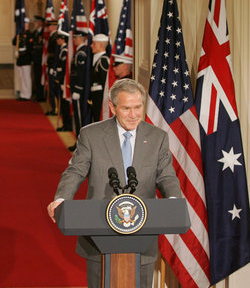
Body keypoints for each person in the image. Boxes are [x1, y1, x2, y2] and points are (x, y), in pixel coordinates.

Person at [47, 78, 181, 288]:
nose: (134, 114)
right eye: (126, 108)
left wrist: (174, 200)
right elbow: (76, 170)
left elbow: (166, 176)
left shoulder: (157, 137)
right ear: (112, 107)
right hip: (99, 232)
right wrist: (61, 198)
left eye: (138, 107)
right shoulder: (91, 135)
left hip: (142, 234)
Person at [68, 31, 88, 150]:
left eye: (76, 38)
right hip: (76, 89)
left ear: (81, 38)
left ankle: (81, 145)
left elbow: (81, 74)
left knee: (80, 118)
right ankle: (78, 143)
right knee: (77, 117)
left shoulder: (82, 53)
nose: (74, 40)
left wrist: (78, 90)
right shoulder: (79, 52)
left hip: (79, 92)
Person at [89, 33, 110, 122]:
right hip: (96, 96)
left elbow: (105, 82)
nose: (91, 45)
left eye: (94, 44)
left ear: (101, 45)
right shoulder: (98, 59)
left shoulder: (103, 61)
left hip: (100, 97)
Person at [55, 32, 72, 131]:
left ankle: (67, 125)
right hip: (61, 81)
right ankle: (65, 124)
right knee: (63, 105)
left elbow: (64, 69)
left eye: (59, 39)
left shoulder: (65, 51)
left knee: (65, 106)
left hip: (64, 82)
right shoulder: (62, 50)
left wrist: (62, 82)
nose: (57, 40)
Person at [14, 17, 33, 101]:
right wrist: (17, 34)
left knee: (26, 78)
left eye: (26, 24)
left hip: (26, 59)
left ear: (28, 25)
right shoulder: (20, 34)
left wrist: (23, 50)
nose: (25, 25)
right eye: (24, 24)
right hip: (20, 59)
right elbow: (14, 42)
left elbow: (30, 47)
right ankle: (23, 94)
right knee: (21, 77)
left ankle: (27, 95)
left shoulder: (30, 35)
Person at [31, 16, 45, 102]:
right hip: (36, 59)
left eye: (36, 22)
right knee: (36, 78)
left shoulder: (43, 33)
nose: (34, 23)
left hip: (41, 60)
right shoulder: (35, 32)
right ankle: (38, 94)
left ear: (40, 22)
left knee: (41, 78)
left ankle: (41, 96)